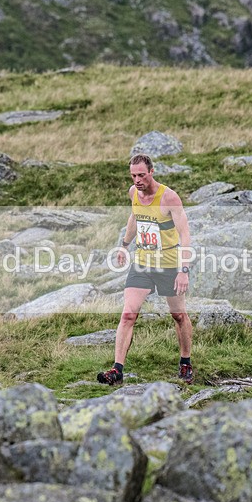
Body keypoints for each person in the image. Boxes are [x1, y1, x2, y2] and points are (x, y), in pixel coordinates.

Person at [97, 153, 194, 386]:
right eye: (133, 176)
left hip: (169, 264)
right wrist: (124, 246)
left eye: (141, 175)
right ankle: (117, 370)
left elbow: (185, 234)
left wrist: (184, 270)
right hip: (142, 263)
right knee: (128, 314)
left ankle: (185, 362)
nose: (137, 180)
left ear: (151, 172)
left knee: (178, 316)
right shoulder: (133, 193)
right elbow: (135, 217)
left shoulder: (169, 198)